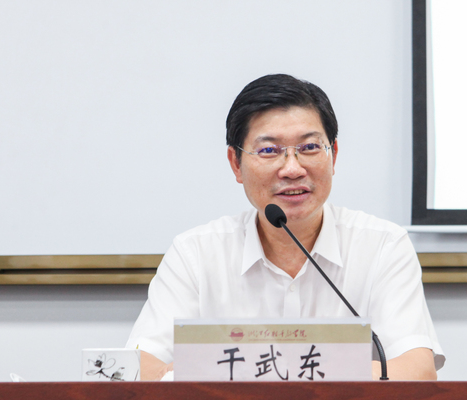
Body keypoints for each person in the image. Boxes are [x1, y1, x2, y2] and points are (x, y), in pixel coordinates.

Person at [126, 74, 445, 381]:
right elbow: (138, 368)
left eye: (309, 148)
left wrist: (243, 370)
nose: (292, 169)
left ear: (333, 155)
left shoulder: (383, 246)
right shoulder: (195, 253)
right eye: (269, 150)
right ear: (236, 164)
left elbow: (417, 371)